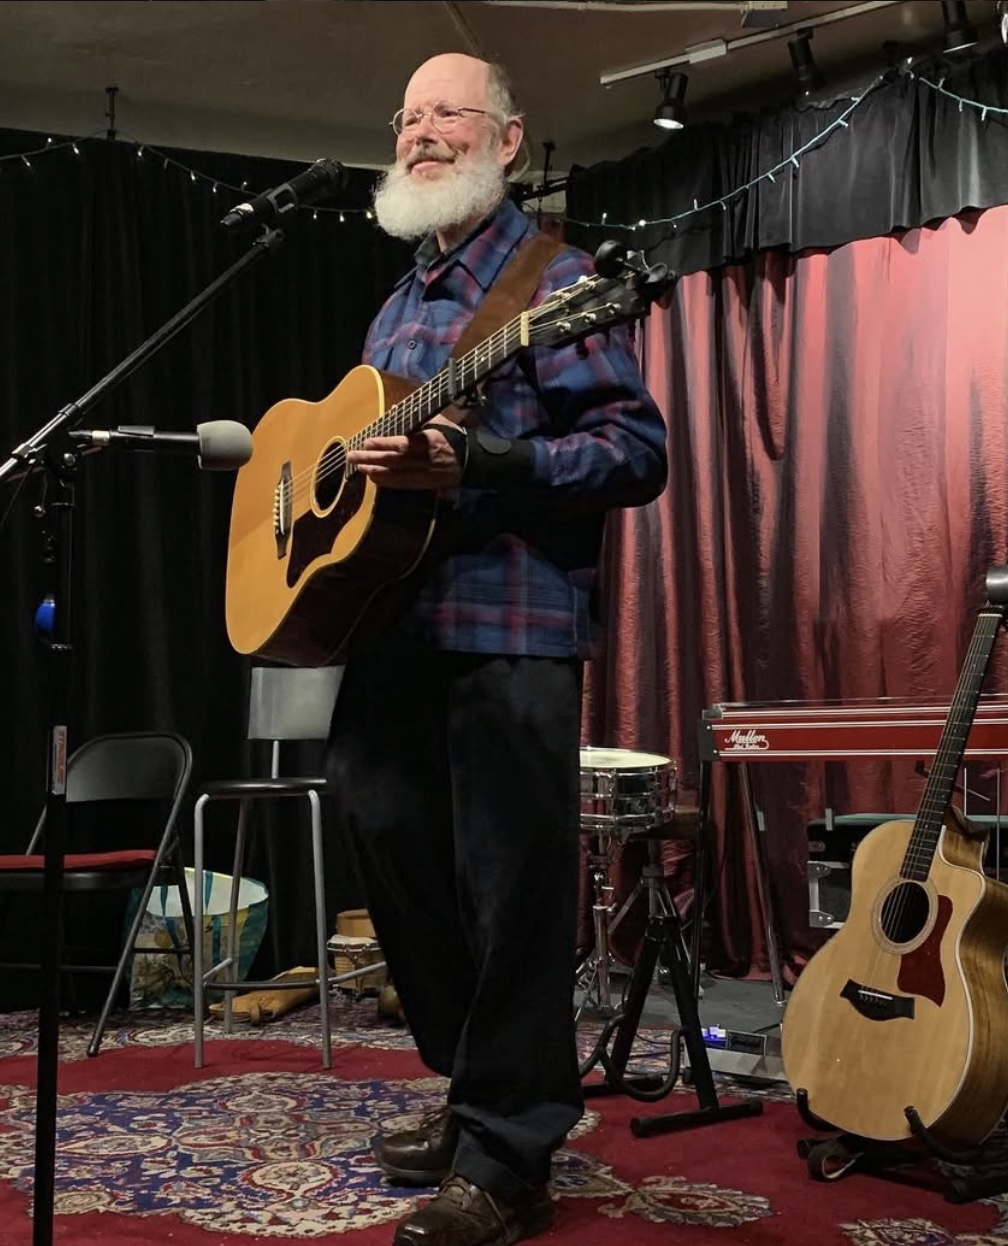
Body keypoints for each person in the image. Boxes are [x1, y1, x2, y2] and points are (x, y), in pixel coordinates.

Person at [325, 52, 667, 1246]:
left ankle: (512, 1146)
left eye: (445, 115)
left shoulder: (556, 280)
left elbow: (638, 452)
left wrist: (492, 463)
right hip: (391, 625)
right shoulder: (401, 299)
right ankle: (478, 1090)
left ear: (507, 140)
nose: (418, 133)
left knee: (512, 890)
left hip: (510, 627)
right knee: (393, 849)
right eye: (407, 114)